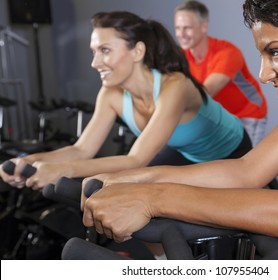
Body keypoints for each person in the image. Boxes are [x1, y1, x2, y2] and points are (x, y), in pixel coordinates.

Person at [82, 0, 278, 259]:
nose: (263, 73)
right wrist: (132, 178)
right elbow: (247, 170)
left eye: (276, 52)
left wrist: (152, 198)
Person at [0, 11, 251, 191]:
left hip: (231, 153)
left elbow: (136, 160)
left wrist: (61, 170)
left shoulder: (175, 86)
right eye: (94, 52)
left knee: (150, 193)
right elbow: (82, 150)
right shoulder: (111, 93)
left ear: (138, 52)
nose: (94, 62)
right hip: (188, 154)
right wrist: (30, 161)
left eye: (105, 50)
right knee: (140, 202)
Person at [174, 0, 268, 146]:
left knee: (245, 165)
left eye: (187, 28)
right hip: (220, 116)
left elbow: (205, 93)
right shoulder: (181, 57)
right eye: (177, 28)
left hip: (248, 114)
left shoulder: (227, 53)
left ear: (204, 26)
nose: (181, 34)